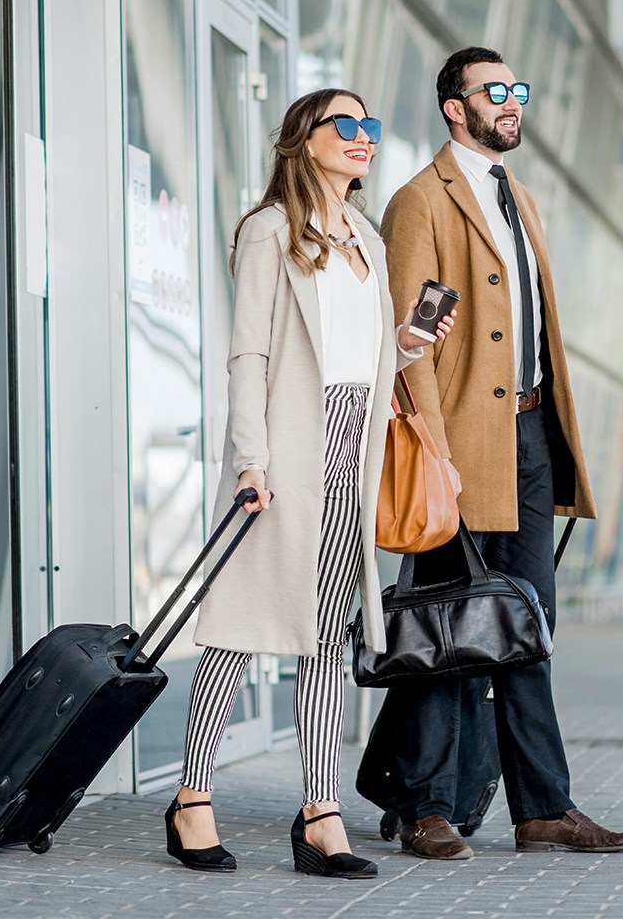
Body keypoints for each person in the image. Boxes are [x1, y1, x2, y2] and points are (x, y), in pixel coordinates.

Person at [163, 88, 456, 879]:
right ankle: (192, 796)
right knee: (237, 630)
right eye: (346, 126)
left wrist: (408, 339)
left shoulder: (366, 235)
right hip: (287, 447)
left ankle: (320, 810)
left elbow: (367, 361)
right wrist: (250, 459)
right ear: (304, 139)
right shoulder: (269, 232)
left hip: (352, 449)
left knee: (329, 636)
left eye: (371, 128)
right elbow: (248, 353)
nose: (363, 139)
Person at [368, 45, 623, 859]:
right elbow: (408, 341)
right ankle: (424, 805)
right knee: (444, 620)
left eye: (518, 89)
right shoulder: (420, 201)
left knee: (527, 623)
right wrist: (432, 445)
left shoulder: (519, 197)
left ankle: (542, 809)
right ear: (456, 106)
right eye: (496, 91)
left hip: (527, 435)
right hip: (458, 442)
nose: (512, 101)